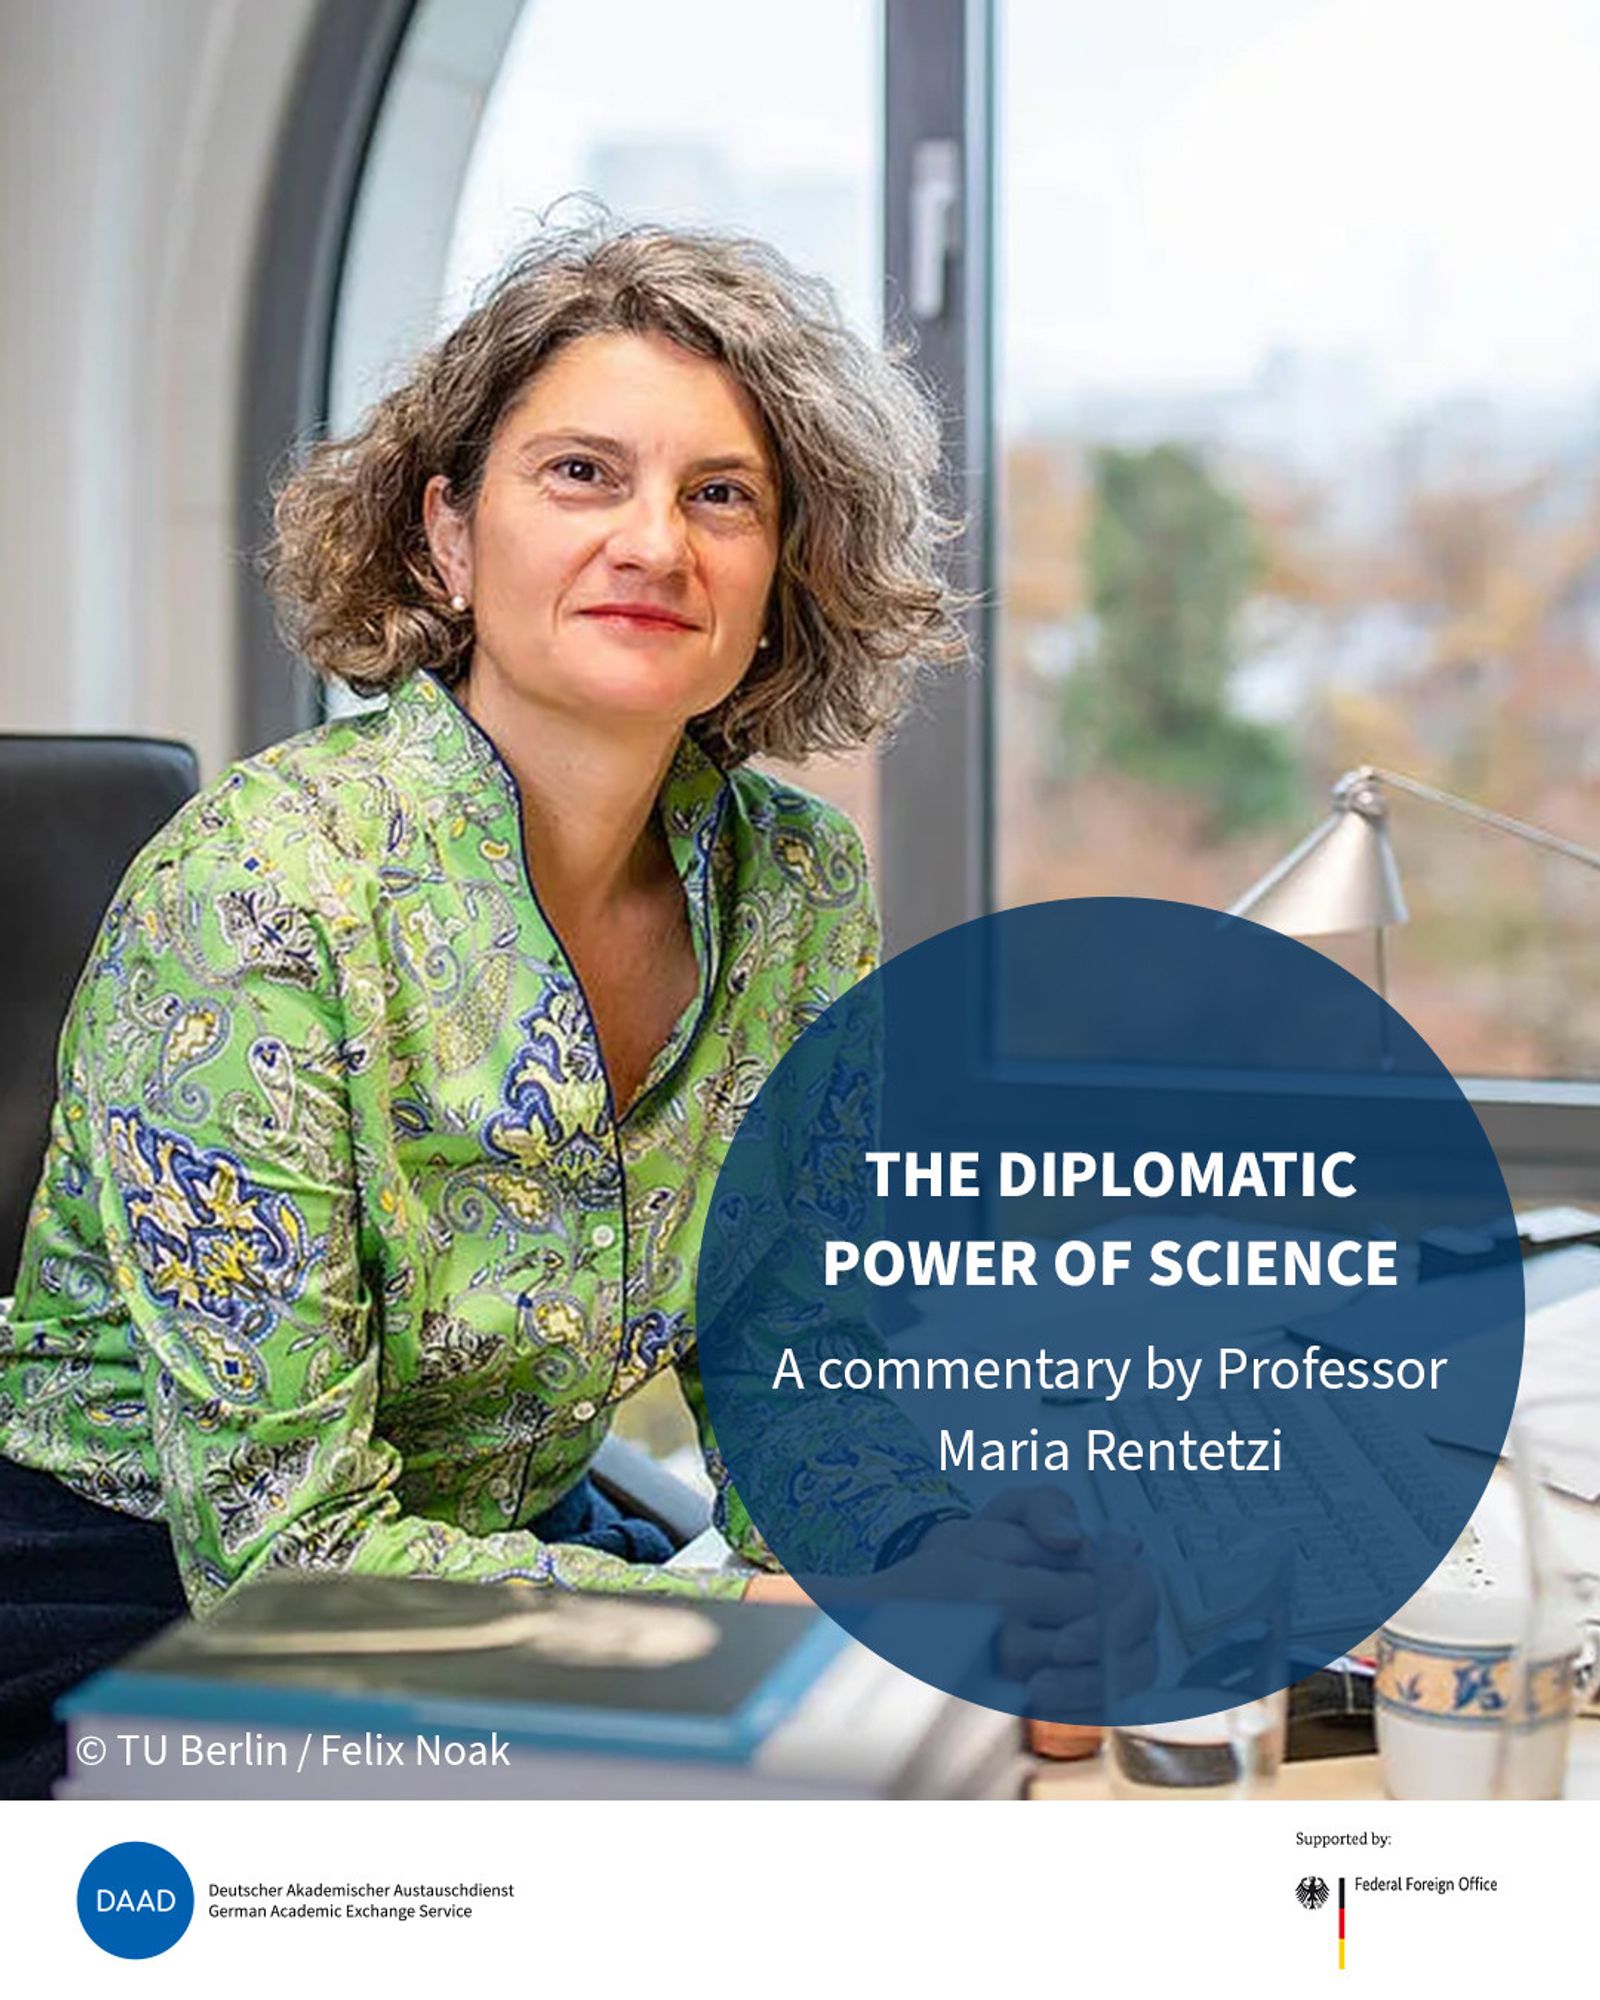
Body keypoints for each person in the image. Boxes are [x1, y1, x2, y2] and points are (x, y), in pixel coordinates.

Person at [0, 220, 1131, 1796]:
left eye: (720, 494)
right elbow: (281, 1559)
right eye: (583, 473)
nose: (656, 544)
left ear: (784, 566)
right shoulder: (259, 891)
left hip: (495, 1555)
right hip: (137, 1613)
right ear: (450, 537)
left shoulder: (799, 891)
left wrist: (942, 1584)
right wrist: (754, 1620)